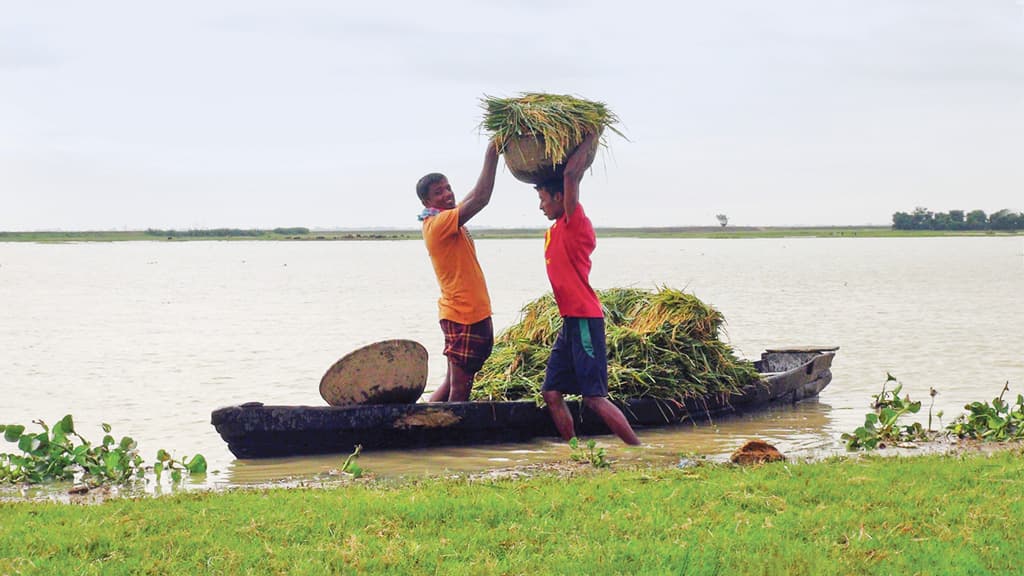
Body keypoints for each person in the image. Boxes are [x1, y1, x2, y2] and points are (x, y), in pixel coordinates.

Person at [534, 132, 641, 445]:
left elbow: (570, 175)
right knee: (551, 392)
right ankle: (576, 453)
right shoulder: (553, 231)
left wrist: (591, 135)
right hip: (570, 321)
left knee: (594, 398)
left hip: (584, 320)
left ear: (559, 198)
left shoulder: (573, 222)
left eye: (543, 199)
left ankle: (637, 449)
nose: (540, 206)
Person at [416, 141, 500, 402]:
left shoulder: (450, 219)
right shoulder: (439, 223)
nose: (448, 194)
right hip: (463, 315)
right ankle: (450, 437)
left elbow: (471, 199)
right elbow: (481, 197)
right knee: (460, 391)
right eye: (439, 192)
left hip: (468, 312)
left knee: (452, 383)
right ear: (427, 201)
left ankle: (426, 429)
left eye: (448, 188)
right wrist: (493, 152)